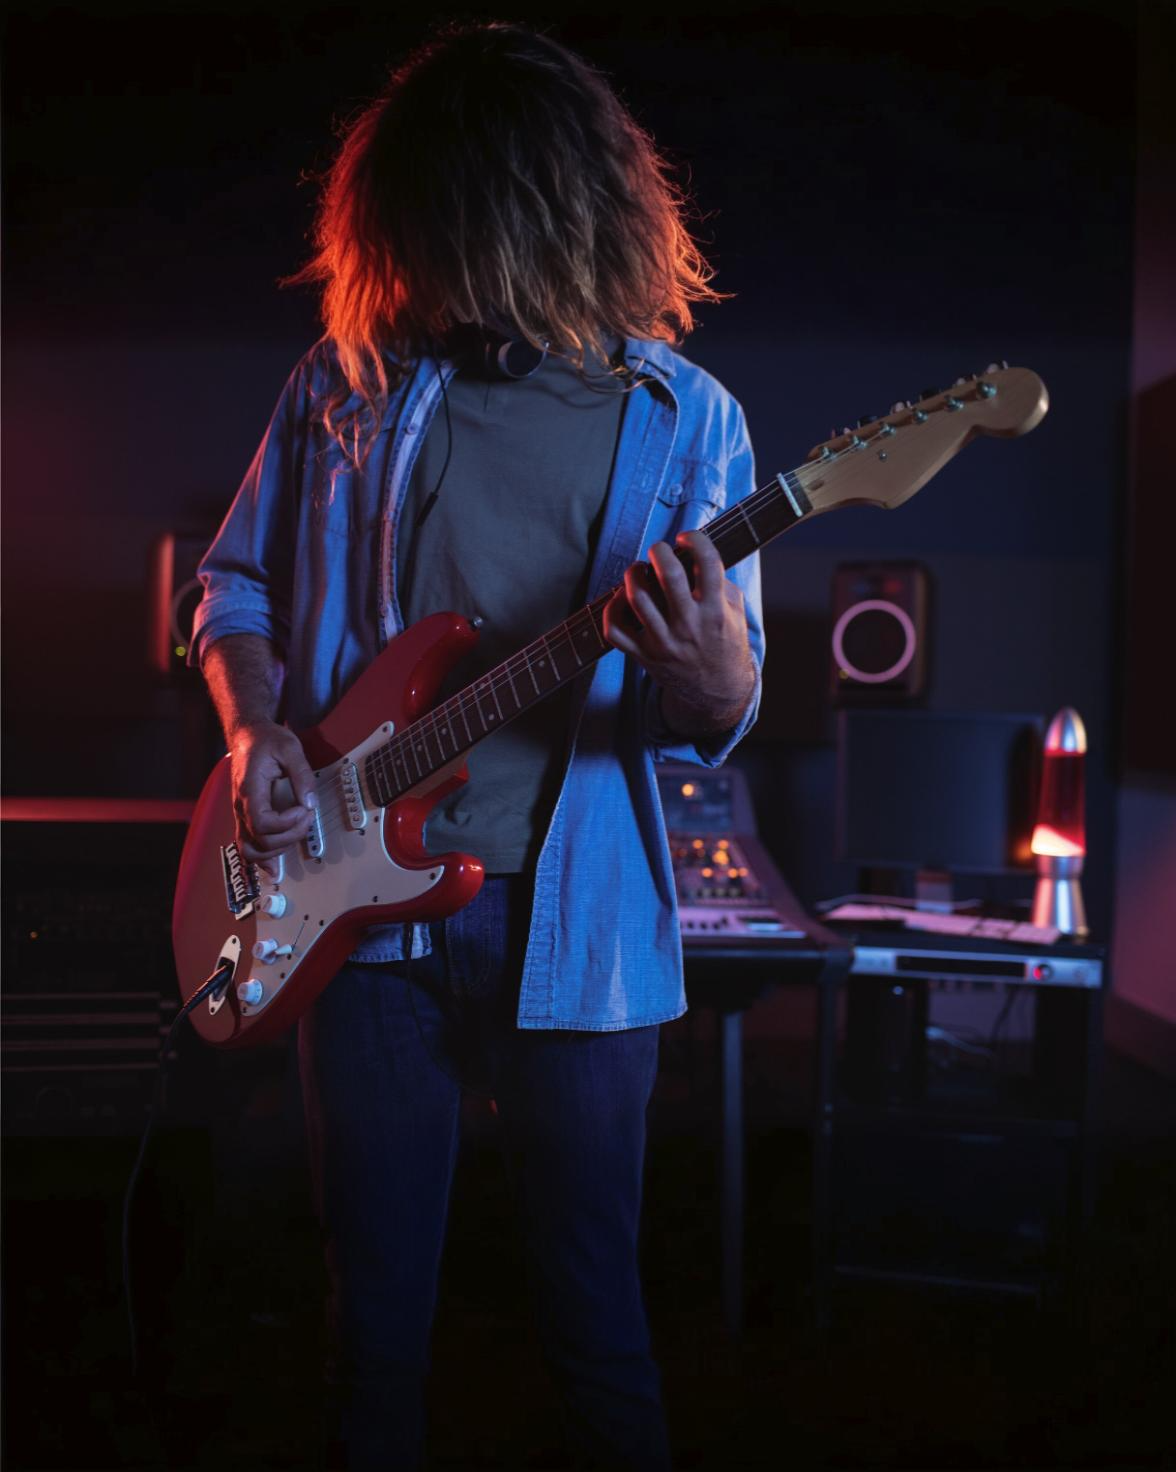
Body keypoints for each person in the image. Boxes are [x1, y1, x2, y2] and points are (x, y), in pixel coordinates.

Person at [191, 21, 764, 1470]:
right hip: (353, 923)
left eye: (448, 241)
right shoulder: (345, 388)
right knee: (370, 1328)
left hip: (583, 936)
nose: (423, 284)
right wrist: (257, 725)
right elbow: (234, 583)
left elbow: (715, 709)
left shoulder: (687, 423)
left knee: (596, 1320)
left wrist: (706, 673)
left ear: (534, 221)